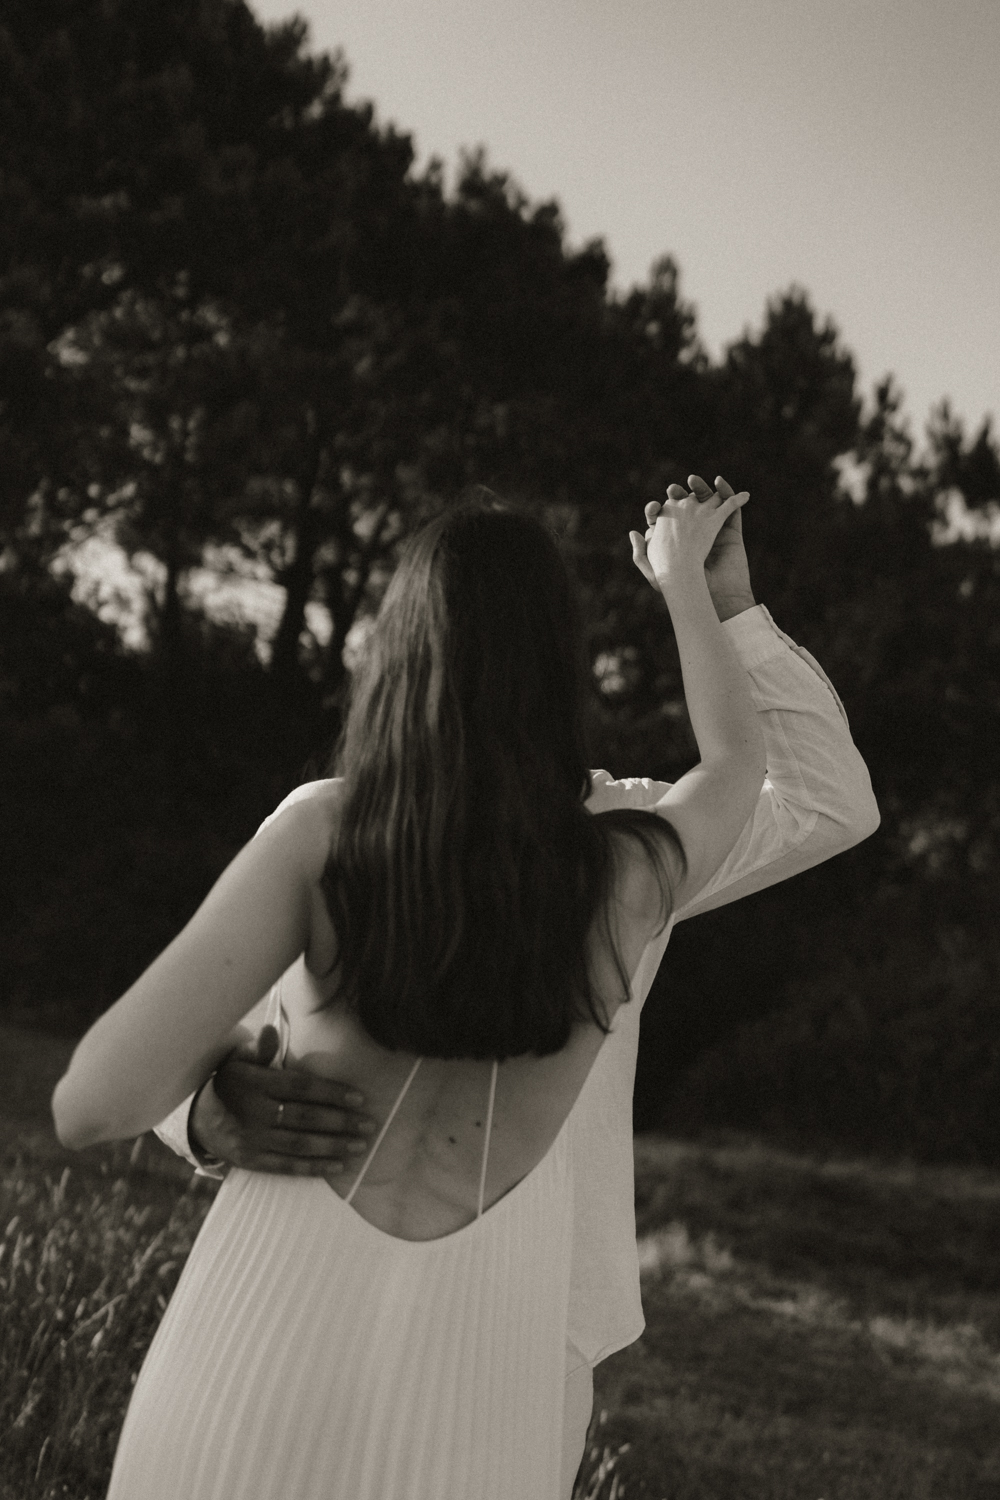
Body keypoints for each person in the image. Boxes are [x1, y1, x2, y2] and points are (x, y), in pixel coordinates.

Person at [53, 476, 879, 1500]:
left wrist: (738, 609)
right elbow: (739, 758)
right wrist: (692, 594)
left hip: (262, 1355)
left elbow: (89, 1101)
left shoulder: (325, 833)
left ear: (393, 656)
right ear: (560, 668)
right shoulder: (631, 866)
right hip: (483, 1381)